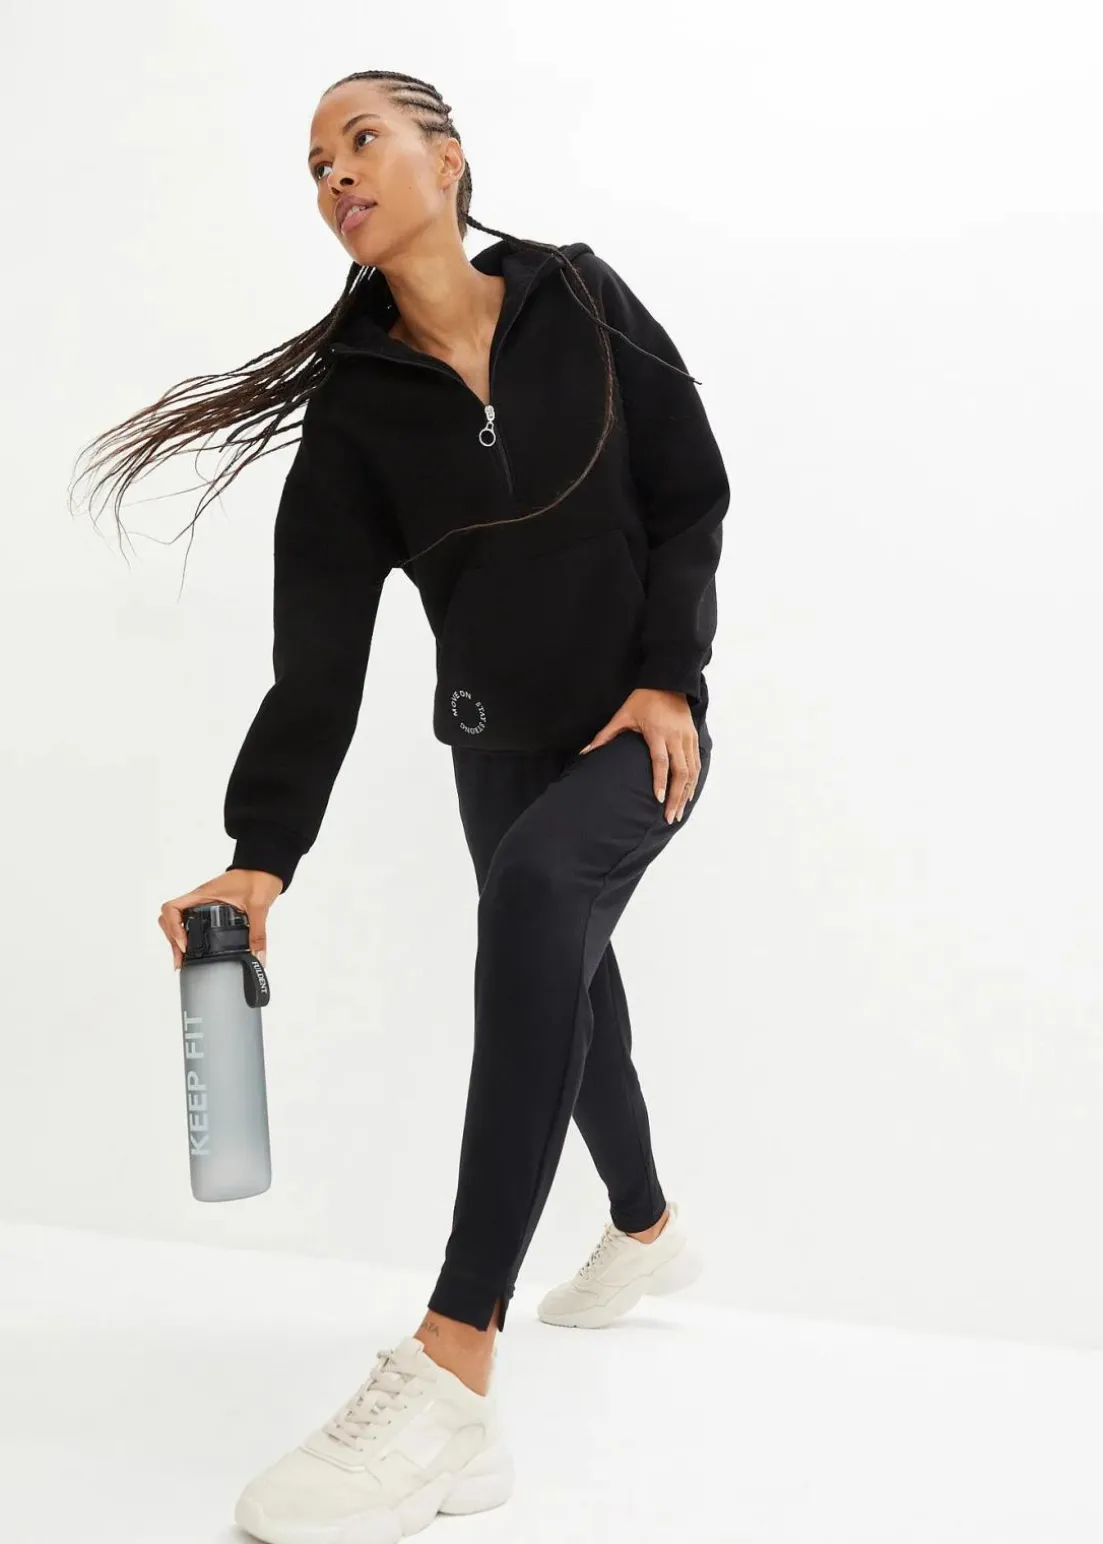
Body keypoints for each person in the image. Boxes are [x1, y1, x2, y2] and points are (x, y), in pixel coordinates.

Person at [76, 68, 728, 1544]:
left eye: (359, 140)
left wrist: (670, 679)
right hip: (498, 754)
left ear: (447, 159)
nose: (336, 177)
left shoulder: (579, 296)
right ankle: (645, 1229)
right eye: (316, 165)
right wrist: (260, 859)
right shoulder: (356, 414)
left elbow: (690, 493)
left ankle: (451, 1370)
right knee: (573, 986)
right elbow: (317, 664)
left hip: (640, 730)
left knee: (541, 902)